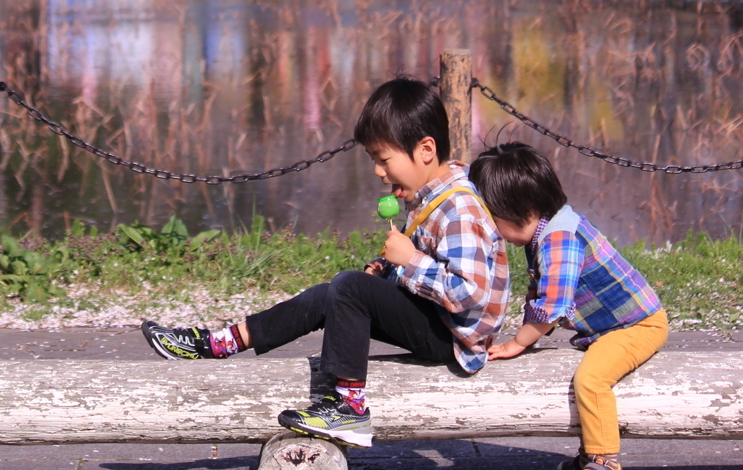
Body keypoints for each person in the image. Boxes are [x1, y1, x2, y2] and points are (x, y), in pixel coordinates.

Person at [140, 78, 510, 448]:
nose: (379, 172)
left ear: (426, 149)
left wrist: (410, 260)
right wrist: (390, 272)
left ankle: (350, 409)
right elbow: (431, 273)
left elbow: (468, 294)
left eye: (384, 159)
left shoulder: (458, 207)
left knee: (349, 288)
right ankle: (217, 343)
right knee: (330, 294)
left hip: (454, 337)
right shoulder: (430, 196)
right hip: (436, 319)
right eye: (374, 161)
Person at [469, 141, 667, 470]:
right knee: (583, 374)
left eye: (490, 219)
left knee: (591, 380)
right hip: (611, 327)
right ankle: (588, 458)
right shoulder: (544, 231)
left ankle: (607, 466)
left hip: (637, 325)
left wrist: (518, 342)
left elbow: (553, 304)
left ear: (520, 210)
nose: (490, 230)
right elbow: (539, 290)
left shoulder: (559, 237)